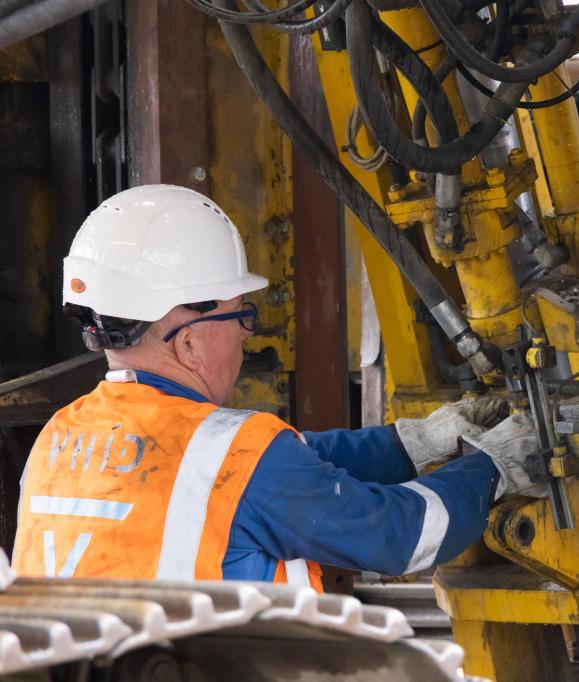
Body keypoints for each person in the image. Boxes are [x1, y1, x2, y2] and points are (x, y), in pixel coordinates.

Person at [12, 184, 543, 590]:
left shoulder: (59, 439)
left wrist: (417, 441)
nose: (247, 334)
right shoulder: (236, 460)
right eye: (239, 315)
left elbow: (273, 467)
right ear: (188, 341)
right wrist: (494, 466)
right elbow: (404, 536)